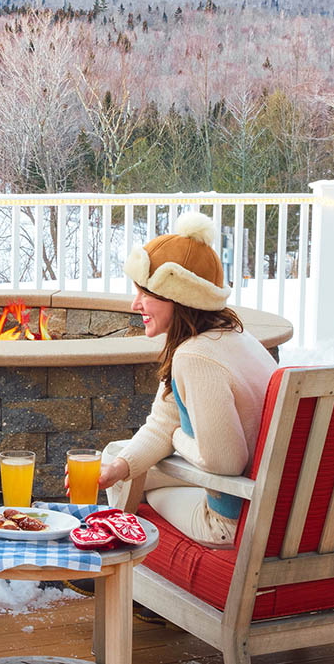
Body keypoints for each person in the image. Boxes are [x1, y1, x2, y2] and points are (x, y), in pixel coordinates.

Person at [98, 211, 277, 547]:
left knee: (138, 491)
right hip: (262, 496)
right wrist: (120, 467)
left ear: (179, 297)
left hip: (226, 517)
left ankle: (119, 565)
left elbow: (225, 461)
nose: (135, 303)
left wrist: (178, 437)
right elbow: (162, 422)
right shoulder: (232, 338)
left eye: (145, 293)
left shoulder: (194, 357)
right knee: (116, 460)